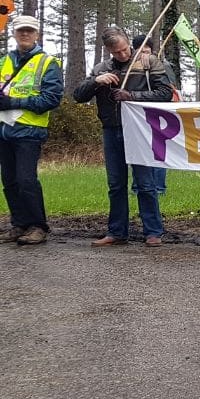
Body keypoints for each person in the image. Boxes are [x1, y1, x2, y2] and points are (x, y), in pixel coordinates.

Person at [73, 27, 173, 247]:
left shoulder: (149, 63)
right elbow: (78, 96)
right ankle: (117, 231)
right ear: (109, 51)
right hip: (111, 130)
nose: (123, 55)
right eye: (117, 52)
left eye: (125, 49)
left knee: (146, 183)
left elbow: (166, 93)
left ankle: (153, 232)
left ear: (129, 42)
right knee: (116, 184)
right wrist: (96, 82)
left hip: (140, 131)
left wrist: (132, 96)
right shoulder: (101, 68)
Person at [0, 14, 63, 246]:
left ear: (37, 34)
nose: (25, 34)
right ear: (14, 33)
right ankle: (19, 224)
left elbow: (51, 99)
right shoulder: (4, 60)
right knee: (9, 181)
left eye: (29, 30)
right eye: (20, 30)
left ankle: (38, 226)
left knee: (26, 180)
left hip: (29, 131)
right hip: (4, 130)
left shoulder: (48, 63)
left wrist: (14, 103)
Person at [131, 34, 177, 195]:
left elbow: (169, 89)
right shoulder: (130, 66)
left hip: (159, 114)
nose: (143, 54)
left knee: (158, 152)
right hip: (137, 115)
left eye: (147, 50)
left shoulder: (162, 65)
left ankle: (158, 188)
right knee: (137, 152)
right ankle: (137, 188)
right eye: (140, 50)